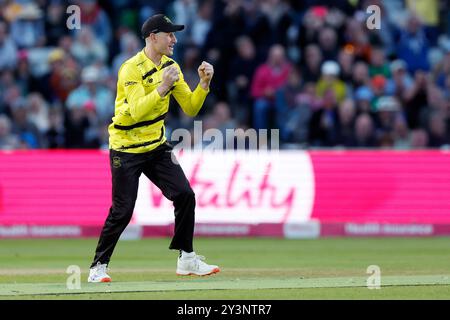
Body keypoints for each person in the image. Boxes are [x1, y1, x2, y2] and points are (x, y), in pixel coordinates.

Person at [88, 14, 220, 283]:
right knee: (123, 210)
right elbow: (135, 111)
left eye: (174, 34)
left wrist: (204, 84)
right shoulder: (131, 68)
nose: (174, 39)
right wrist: (163, 86)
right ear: (152, 37)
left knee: (185, 195)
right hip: (126, 148)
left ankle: (187, 259)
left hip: (156, 145)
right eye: (169, 34)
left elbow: (191, 107)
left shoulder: (172, 66)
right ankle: (98, 267)